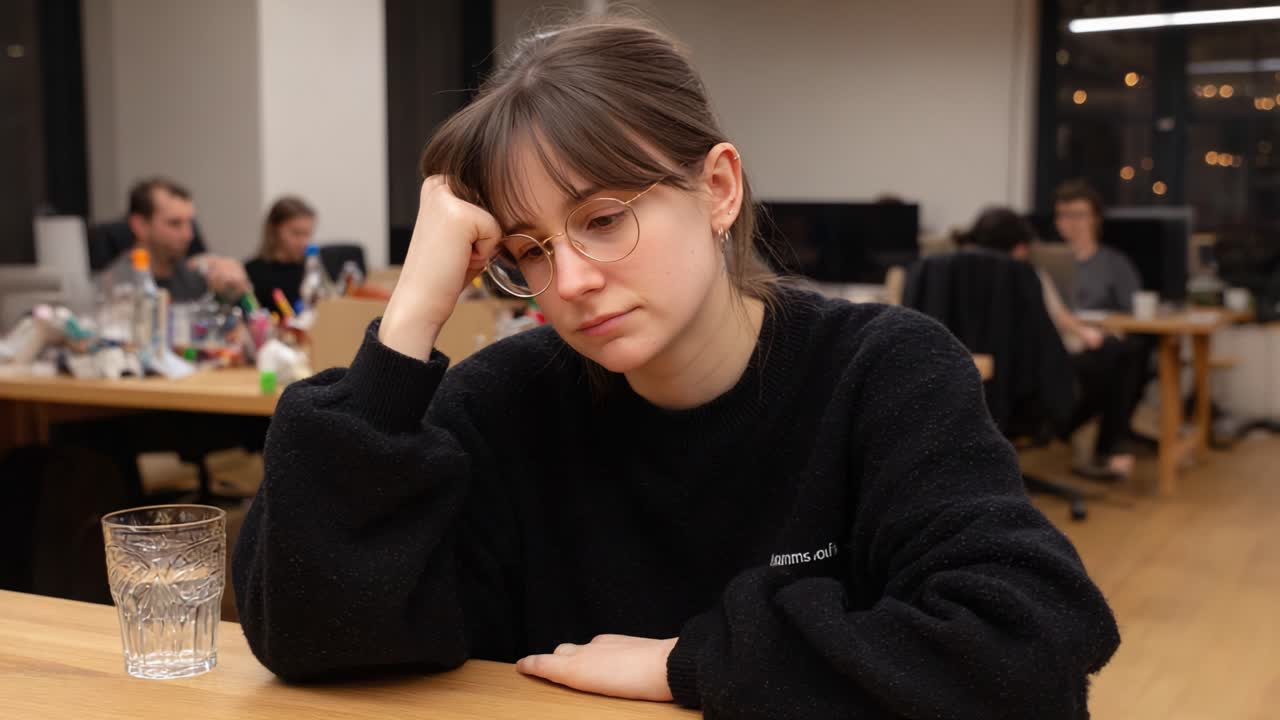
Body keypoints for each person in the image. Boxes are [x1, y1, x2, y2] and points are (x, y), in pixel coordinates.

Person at [233, 16, 1119, 718]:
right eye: (531, 250)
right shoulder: (507, 399)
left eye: (603, 218)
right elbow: (307, 633)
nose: (570, 282)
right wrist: (410, 318)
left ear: (719, 189)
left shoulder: (882, 371)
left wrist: (687, 664)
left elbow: (1029, 646)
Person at [959, 207, 1141, 479]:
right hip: (1028, 388)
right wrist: (1090, 335)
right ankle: (1092, 443)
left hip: (973, 385)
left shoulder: (948, 273)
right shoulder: (1024, 274)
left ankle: (1074, 434)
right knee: (1121, 354)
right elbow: (1056, 324)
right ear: (1020, 247)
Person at [100, 177, 250, 302]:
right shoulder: (115, 287)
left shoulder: (195, 280)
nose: (188, 235)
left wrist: (232, 293)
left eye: (190, 223)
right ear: (140, 226)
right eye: (175, 223)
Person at [1053, 179, 1143, 312]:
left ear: (1095, 218)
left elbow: (1134, 312)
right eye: (1065, 215)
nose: (1072, 223)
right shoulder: (1046, 264)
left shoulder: (1116, 264)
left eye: (1079, 215)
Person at [244, 196, 316, 311]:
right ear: (275, 229)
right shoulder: (252, 272)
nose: (304, 242)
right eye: (296, 233)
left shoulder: (313, 271)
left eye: (307, 234)